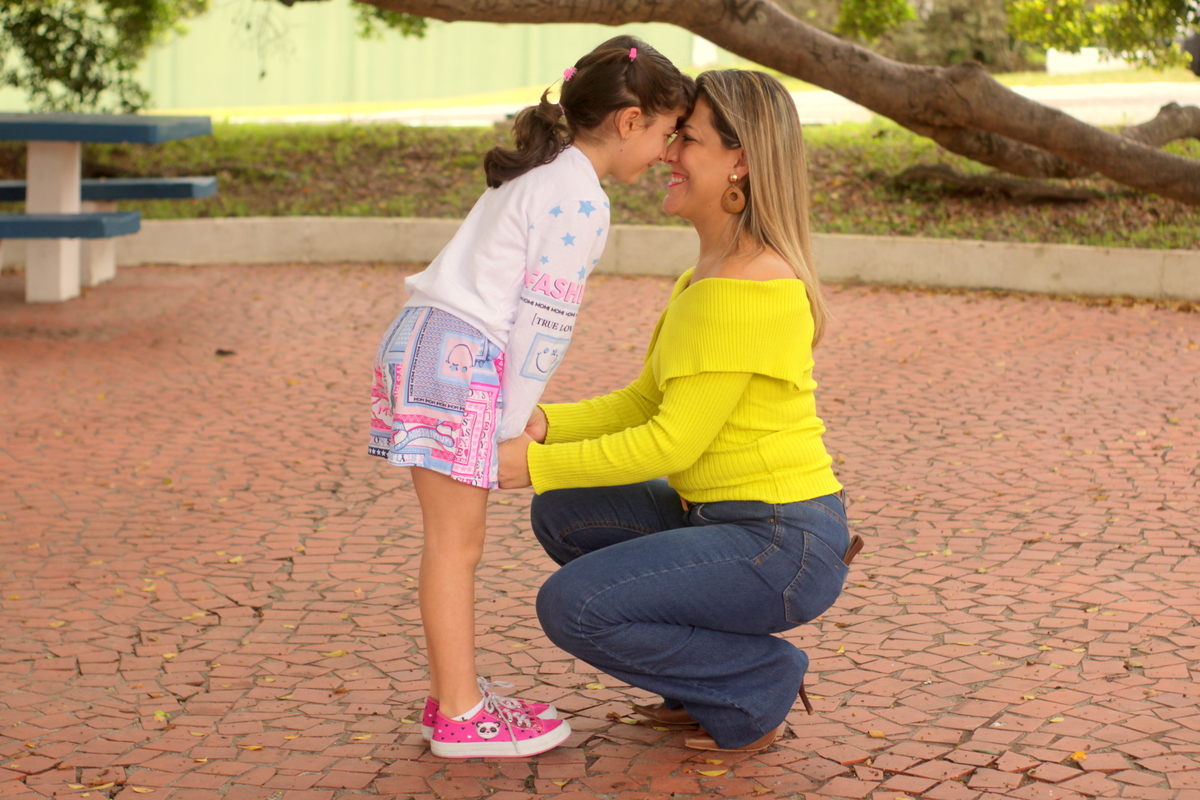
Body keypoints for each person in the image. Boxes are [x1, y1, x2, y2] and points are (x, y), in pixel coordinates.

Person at [498, 69, 862, 754]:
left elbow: (670, 445)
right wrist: (545, 426)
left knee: (572, 605)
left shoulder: (743, 288)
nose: (667, 152)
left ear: (740, 160)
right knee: (565, 512)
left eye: (686, 139)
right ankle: (701, 685)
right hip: (729, 519)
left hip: (781, 543)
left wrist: (533, 465)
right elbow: (645, 400)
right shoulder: (707, 277)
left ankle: (756, 681)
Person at [366, 36, 693, 758]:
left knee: (450, 541)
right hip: (459, 358)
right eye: (668, 132)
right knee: (457, 544)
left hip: (428, 343)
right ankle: (461, 715)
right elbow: (544, 321)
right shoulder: (579, 197)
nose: (668, 152)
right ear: (630, 121)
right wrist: (510, 429)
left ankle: (452, 697)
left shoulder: (547, 170)